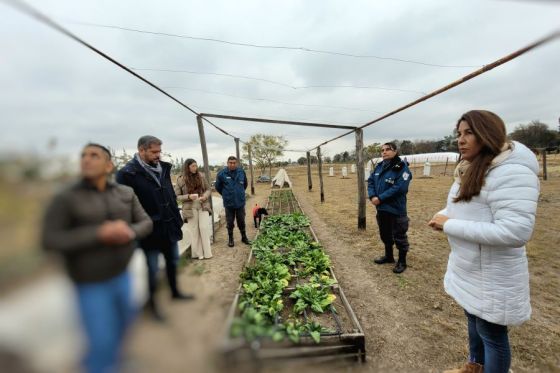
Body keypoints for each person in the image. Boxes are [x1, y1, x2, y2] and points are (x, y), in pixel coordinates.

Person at [429, 110, 540, 373]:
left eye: (469, 133)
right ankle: (475, 366)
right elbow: (465, 208)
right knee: (474, 322)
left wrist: (450, 225)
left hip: (492, 273)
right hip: (470, 266)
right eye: (459, 133)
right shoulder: (470, 167)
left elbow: (515, 232)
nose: (461, 139)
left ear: (488, 133)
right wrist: (444, 215)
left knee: (492, 335)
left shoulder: (511, 172)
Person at [42, 143, 153, 373]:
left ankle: (118, 361)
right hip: (90, 283)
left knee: (126, 323)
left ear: (109, 165)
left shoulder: (125, 193)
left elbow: (145, 223)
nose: (86, 159)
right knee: (100, 339)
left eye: (94, 155)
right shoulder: (66, 197)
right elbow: (50, 240)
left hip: (122, 276)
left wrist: (129, 232)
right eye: (83, 155)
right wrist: (97, 234)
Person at [116, 135, 193, 322]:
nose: (158, 155)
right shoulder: (127, 174)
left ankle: (175, 292)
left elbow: (170, 196)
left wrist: (176, 217)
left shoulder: (163, 169)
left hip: (169, 226)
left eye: (159, 151)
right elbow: (122, 206)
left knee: (173, 261)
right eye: (154, 152)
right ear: (141, 150)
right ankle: (153, 306)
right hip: (149, 231)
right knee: (151, 268)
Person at [367, 142, 412, 274]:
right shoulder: (379, 166)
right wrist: (372, 196)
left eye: (388, 149)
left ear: (395, 151)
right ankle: (389, 256)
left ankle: (402, 261)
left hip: (396, 209)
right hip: (381, 209)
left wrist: (380, 198)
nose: (384, 152)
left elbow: (400, 187)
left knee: (399, 236)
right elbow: (370, 182)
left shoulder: (402, 167)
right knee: (385, 234)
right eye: (382, 150)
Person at [174, 159, 213, 260]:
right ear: (187, 167)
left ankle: (207, 253)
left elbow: (208, 189)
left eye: (196, 166)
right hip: (189, 208)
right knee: (194, 231)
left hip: (203, 205)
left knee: (204, 228)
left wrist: (204, 196)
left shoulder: (201, 176)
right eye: (193, 166)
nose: (195, 168)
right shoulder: (180, 179)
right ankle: (198, 254)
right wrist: (188, 196)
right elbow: (177, 196)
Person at [215, 155, 250, 247]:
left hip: (240, 202)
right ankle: (230, 239)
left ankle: (244, 237)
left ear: (236, 163)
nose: (232, 164)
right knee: (230, 222)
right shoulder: (221, 174)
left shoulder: (241, 172)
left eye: (234, 163)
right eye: (230, 163)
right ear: (227, 163)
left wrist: (239, 193)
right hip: (229, 203)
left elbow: (245, 184)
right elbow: (218, 187)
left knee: (241, 221)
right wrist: (226, 195)